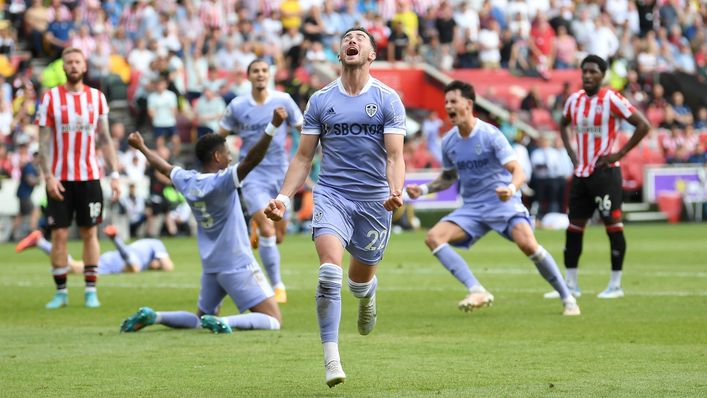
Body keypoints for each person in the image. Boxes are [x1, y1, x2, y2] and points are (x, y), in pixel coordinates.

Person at [264, 27, 406, 388]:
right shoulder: (320, 100)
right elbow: (303, 157)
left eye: (360, 38)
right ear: (340, 52)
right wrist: (283, 197)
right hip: (332, 195)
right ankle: (332, 359)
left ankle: (367, 293)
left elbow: (394, 155)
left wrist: (396, 191)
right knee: (329, 272)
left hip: (375, 200)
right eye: (347, 38)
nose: (352, 41)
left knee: (359, 281)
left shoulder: (388, 99)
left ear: (372, 53)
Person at [406, 80, 580, 318]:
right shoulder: (449, 142)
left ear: (468, 104)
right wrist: (424, 190)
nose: (448, 106)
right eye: (446, 102)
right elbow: (448, 177)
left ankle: (567, 297)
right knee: (434, 237)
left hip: (502, 203)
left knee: (528, 244)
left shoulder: (490, 135)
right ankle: (477, 290)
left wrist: (510, 188)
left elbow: (518, 171)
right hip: (473, 209)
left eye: (453, 101)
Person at [120, 108, 287, 335]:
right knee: (274, 319)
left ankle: (155, 316)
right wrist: (272, 126)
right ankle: (227, 321)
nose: (230, 158)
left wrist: (141, 147)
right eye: (227, 153)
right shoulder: (223, 181)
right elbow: (253, 159)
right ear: (217, 157)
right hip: (237, 262)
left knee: (200, 319)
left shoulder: (187, 180)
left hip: (211, 266)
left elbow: (164, 167)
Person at [551, 55, 651, 299]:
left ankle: (615, 285)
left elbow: (643, 125)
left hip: (606, 174)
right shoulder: (574, 100)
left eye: (593, 72)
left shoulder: (611, 99)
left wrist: (620, 152)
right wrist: (572, 153)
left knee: (612, 227)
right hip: (581, 174)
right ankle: (571, 285)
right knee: (574, 228)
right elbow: (562, 124)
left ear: (602, 75)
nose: (587, 75)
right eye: (584, 71)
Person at [35, 47, 120, 309]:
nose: (73, 66)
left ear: (84, 67)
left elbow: (104, 139)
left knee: (89, 232)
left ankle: (90, 290)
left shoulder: (96, 98)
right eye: (68, 62)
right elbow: (44, 143)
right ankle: (61, 292)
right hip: (60, 178)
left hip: (90, 177)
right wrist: (48, 177)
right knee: (59, 234)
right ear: (63, 67)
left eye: (77, 62)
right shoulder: (50, 99)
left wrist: (114, 174)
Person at [219, 59, 303, 304]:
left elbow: (302, 128)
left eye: (264, 70)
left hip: (281, 174)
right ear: (248, 76)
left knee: (279, 235)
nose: (260, 74)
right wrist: (221, 158)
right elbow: (220, 134)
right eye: (255, 71)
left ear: (270, 75)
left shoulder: (284, 100)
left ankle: (258, 229)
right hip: (252, 174)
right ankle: (277, 286)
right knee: (268, 228)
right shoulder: (237, 106)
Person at [15, 226, 174, 274]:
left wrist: (154, 265)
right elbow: (168, 267)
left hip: (113, 264)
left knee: (74, 268)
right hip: (126, 256)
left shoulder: (150, 246)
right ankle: (115, 239)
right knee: (135, 267)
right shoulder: (157, 244)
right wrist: (158, 266)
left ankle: (41, 242)